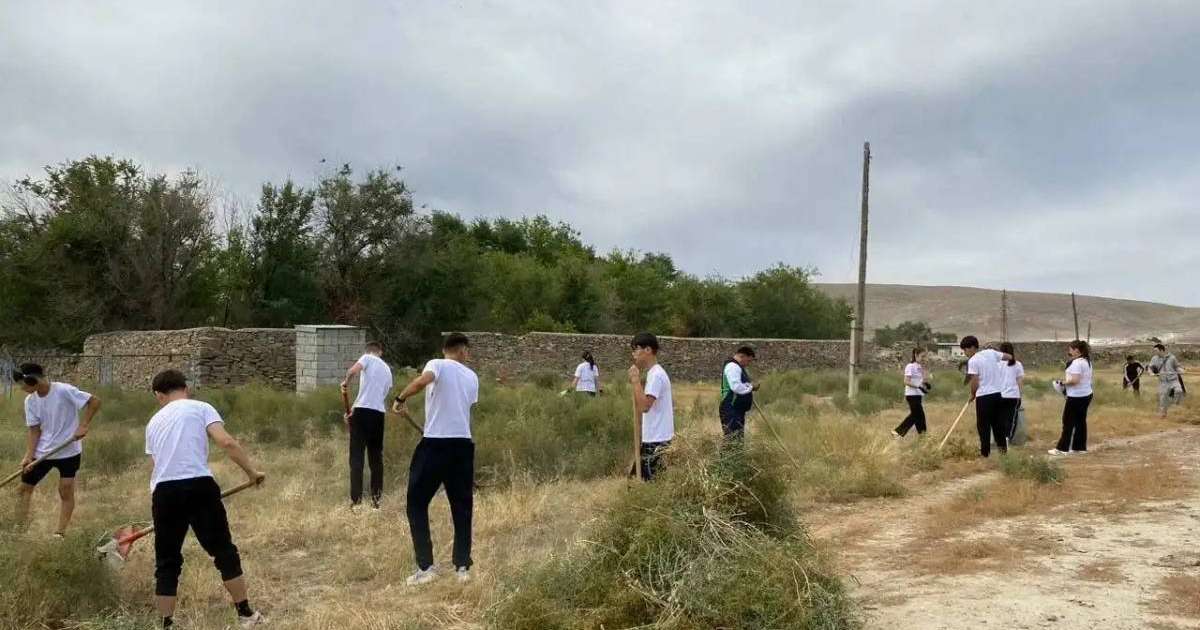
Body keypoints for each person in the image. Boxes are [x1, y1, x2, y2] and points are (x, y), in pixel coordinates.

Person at [144, 369, 266, 628]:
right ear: (185, 388)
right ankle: (245, 614)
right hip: (199, 486)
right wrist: (252, 472)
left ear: (159, 395)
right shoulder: (201, 407)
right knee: (223, 551)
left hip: (164, 491)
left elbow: (155, 466)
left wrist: (160, 502)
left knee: (167, 561)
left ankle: (165, 624)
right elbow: (226, 442)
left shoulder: (153, 422)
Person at [392, 333, 480, 587]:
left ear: (445, 350)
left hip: (435, 445)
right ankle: (462, 567)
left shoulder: (436, 364)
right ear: (462, 351)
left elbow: (423, 381)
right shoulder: (472, 377)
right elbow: (463, 408)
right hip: (462, 445)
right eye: (468, 351)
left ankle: (426, 567)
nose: (468, 355)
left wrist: (400, 399)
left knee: (416, 503)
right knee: (462, 506)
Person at [11, 363, 101, 537]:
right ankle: (19, 529)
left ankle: (59, 533)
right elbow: (34, 430)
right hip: (43, 453)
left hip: (69, 450)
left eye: (23, 385)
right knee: (23, 489)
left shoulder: (63, 391)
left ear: (33, 380)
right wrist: (29, 456)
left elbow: (94, 401)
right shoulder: (30, 401)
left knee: (65, 490)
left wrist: (83, 425)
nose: (22, 389)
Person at [340, 341, 394, 510]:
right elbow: (381, 394)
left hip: (362, 412)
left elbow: (352, 371)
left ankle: (356, 501)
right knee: (376, 459)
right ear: (381, 351)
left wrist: (345, 383)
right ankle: (376, 501)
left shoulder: (367, 358)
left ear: (368, 351)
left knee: (356, 457)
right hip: (379, 414)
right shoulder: (387, 369)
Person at [628, 332, 674, 480]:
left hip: (656, 440)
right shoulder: (654, 373)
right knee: (638, 481)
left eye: (636, 349)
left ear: (647, 350)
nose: (633, 353)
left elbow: (645, 407)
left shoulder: (656, 375)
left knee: (649, 483)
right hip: (655, 437)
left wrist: (636, 381)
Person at [961, 336, 1009, 457]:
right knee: (998, 425)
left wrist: (973, 394)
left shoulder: (973, 361)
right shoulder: (990, 353)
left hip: (984, 398)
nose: (965, 353)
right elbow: (1008, 357)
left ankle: (985, 454)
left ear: (972, 347)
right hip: (997, 395)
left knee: (983, 426)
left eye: (965, 350)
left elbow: (974, 381)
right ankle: (1003, 452)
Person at [1049, 340, 1093, 455]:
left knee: (1068, 422)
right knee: (1080, 421)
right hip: (1086, 394)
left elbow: (1075, 380)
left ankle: (1062, 448)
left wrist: (1062, 383)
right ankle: (1079, 447)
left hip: (1076, 396)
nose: (1069, 351)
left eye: (1070, 349)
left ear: (1076, 350)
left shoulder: (1077, 363)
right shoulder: (1086, 361)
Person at [719, 346, 759, 440]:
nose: (748, 364)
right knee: (732, 438)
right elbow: (736, 387)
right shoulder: (733, 367)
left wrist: (749, 386)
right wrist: (751, 387)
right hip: (731, 408)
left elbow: (740, 384)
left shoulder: (737, 366)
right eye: (748, 361)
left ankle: (735, 451)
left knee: (737, 439)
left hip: (736, 409)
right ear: (742, 356)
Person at [892, 348, 931, 438]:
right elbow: (906, 381)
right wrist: (919, 387)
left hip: (918, 395)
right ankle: (897, 432)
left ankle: (922, 436)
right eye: (922, 356)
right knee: (917, 415)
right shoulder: (910, 366)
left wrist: (925, 384)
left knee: (919, 416)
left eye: (925, 356)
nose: (924, 359)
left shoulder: (919, 367)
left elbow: (918, 380)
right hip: (911, 395)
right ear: (916, 355)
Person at [998, 342, 1025, 444]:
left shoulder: (996, 364)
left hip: (999, 395)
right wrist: (1020, 395)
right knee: (1011, 418)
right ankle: (1007, 438)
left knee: (1000, 417)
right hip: (1013, 396)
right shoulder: (1017, 364)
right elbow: (1020, 381)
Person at [1149, 343, 1186, 418]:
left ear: (1161, 350)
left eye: (1156, 350)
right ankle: (1163, 414)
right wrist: (1151, 373)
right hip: (1163, 382)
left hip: (1173, 380)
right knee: (1163, 399)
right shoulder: (1154, 359)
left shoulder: (1172, 357)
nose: (1154, 352)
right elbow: (1150, 368)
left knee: (1179, 391)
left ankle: (1174, 404)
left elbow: (1177, 367)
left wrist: (1181, 370)